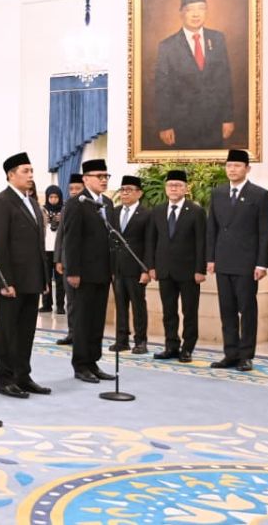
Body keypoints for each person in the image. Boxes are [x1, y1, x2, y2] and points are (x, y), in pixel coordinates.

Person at [0, 153, 50, 399]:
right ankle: (6, 379)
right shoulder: (2, 202)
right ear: (11, 175)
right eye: (25, 171)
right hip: (11, 280)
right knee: (7, 331)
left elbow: (39, 244)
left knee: (26, 330)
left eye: (32, 171)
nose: (31, 176)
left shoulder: (32, 202)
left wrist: (44, 278)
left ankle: (23, 376)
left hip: (32, 279)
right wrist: (5, 281)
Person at [209, 149, 268, 372]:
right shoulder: (218, 193)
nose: (232, 169)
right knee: (227, 310)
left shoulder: (260, 195)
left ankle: (246, 355)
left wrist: (262, 263)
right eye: (229, 165)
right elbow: (212, 228)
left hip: (247, 263)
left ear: (247, 169)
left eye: (236, 165)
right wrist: (211, 258)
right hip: (223, 261)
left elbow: (265, 231)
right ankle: (230, 354)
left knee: (247, 310)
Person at [154, 0, 235, 150]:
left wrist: (228, 118)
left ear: (207, 11)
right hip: (181, 124)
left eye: (201, 8)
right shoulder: (167, 46)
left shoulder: (218, 39)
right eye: (190, 10)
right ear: (181, 13)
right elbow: (163, 89)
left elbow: (224, 81)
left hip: (214, 121)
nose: (196, 14)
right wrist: (165, 124)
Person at [62, 159, 117, 384]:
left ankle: (93, 361)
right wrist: (73, 271)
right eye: (99, 176)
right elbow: (71, 240)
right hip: (82, 273)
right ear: (85, 179)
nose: (104, 180)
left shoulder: (108, 203)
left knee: (97, 319)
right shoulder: (77, 203)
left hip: (103, 272)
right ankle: (81, 364)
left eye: (106, 176)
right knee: (83, 320)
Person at [145, 170, 205, 363]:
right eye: (171, 185)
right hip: (165, 270)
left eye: (178, 185)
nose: (174, 189)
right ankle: (171, 345)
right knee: (168, 311)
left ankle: (187, 348)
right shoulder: (158, 210)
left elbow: (201, 243)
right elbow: (151, 241)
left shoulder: (196, 211)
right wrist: (151, 266)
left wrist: (200, 269)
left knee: (189, 312)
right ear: (165, 188)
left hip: (188, 272)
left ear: (185, 189)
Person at [108, 175, 152, 355]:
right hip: (117, 268)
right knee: (120, 304)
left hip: (136, 268)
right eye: (123, 189)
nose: (125, 193)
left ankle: (140, 341)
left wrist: (146, 269)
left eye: (129, 190)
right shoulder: (115, 212)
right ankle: (121, 339)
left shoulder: (147, 214)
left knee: (138, 305)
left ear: (139, 193)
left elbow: (150, 243)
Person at [53, 172, 84, 345]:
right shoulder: (67, 207)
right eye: (71, 188)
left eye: (77, 188)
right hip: (66, 262)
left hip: (85, 264)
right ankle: (72, 333)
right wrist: (58, 259)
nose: (73, 191)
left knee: (83, 303)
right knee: (70, 302)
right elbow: (61, 236)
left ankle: (83, 334)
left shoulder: (92, 206)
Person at [39, 185, 65, 314]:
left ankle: (60, 306)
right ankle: (46, 304)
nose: (53, 200)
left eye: (56, 197)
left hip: (59, 250)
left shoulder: (64, 210)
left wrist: (62, 219)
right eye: (51, 197)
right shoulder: (42, 210)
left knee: (60, 280)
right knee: (46, 278)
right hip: (45, 249)